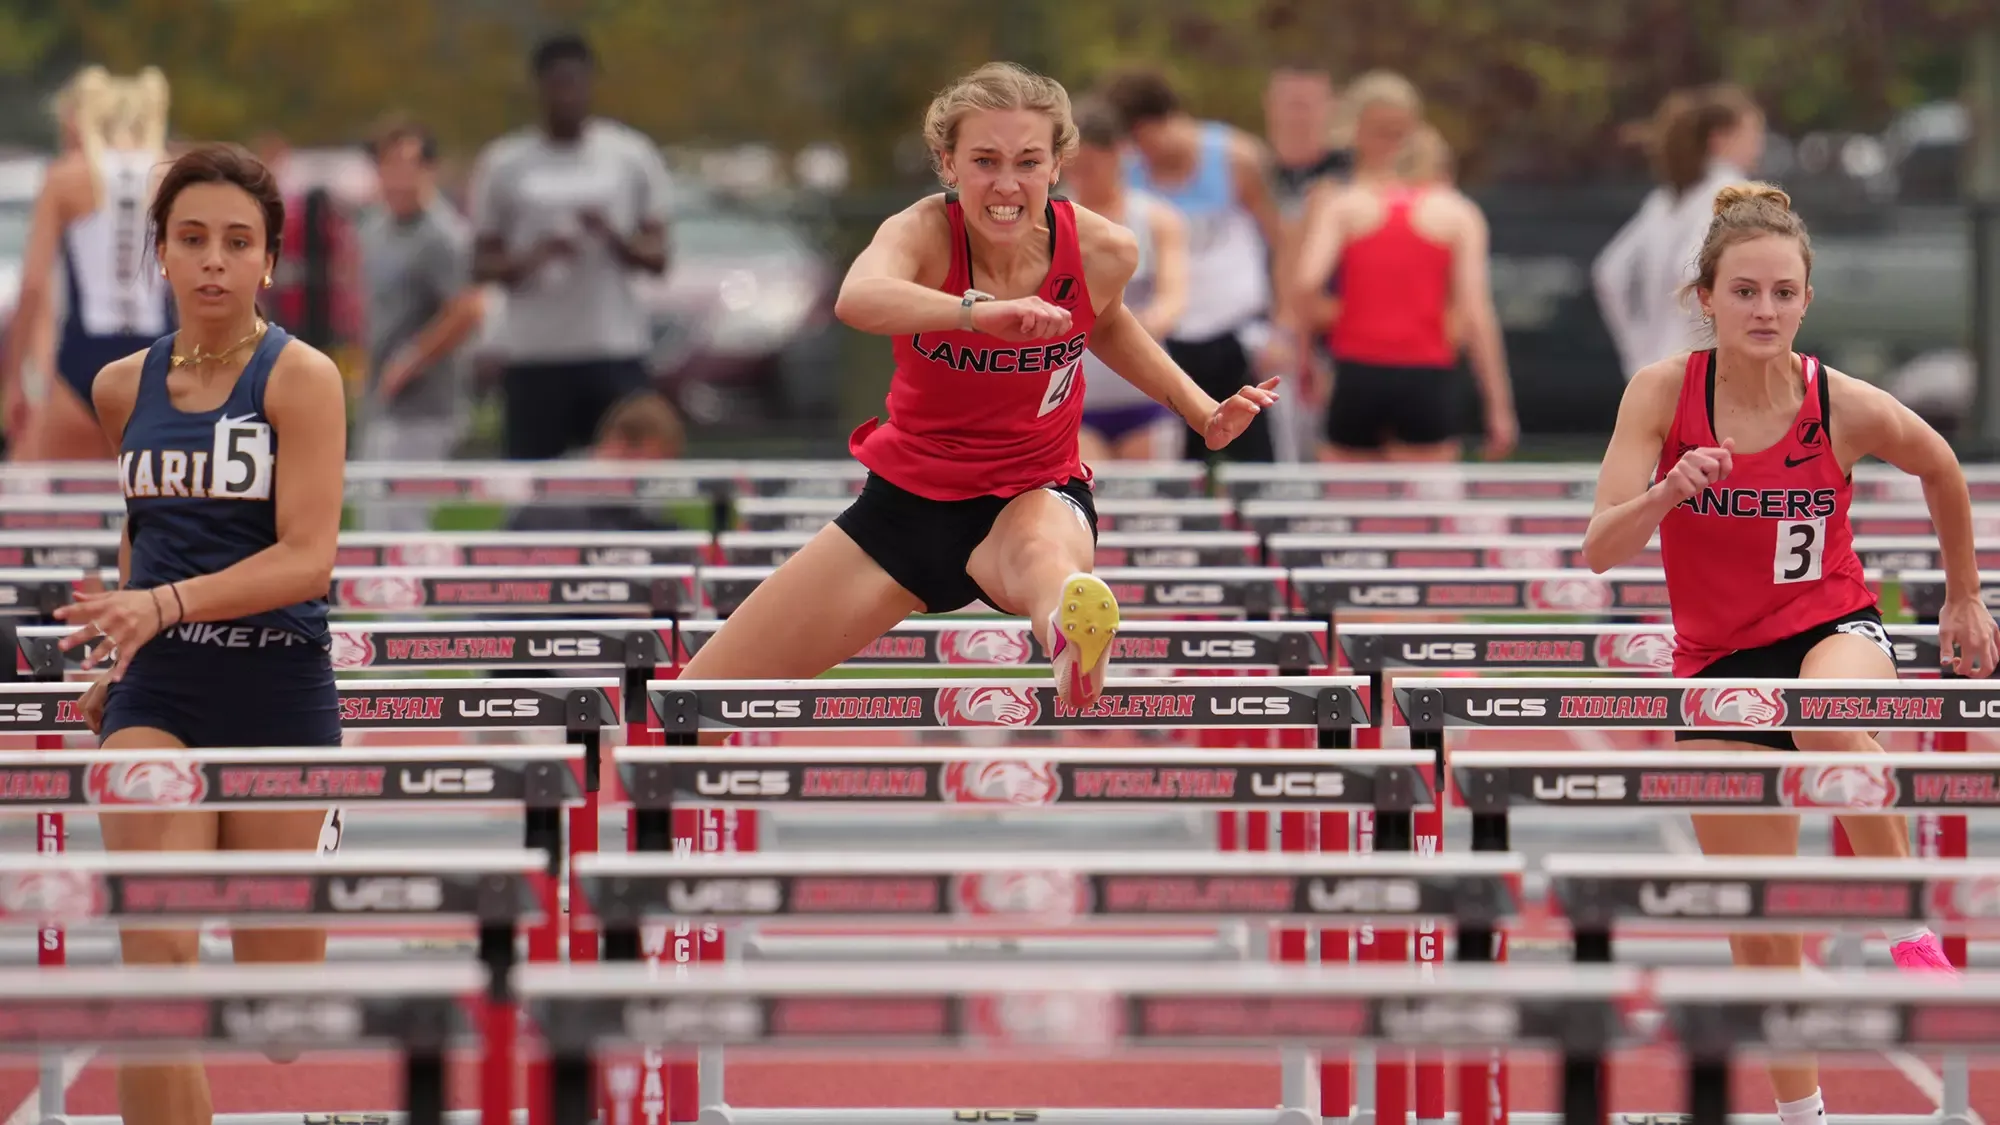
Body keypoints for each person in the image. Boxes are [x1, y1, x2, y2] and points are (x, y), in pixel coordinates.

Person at [677, 61, 1274, 707]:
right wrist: (975, 311)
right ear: (947, 163)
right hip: (905, 506)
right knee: (697, 702)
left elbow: (1105, 322)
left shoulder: (1104, 249)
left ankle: (1067, 631)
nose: (1007, 185)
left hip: (1033, 487)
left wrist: (1201, 410)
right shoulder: (924, 232)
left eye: (1027, 161)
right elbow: (858, 298)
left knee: (1046, 558)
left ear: (1056, 165)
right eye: (985, 161)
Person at [1582, 182, 1990, 1125]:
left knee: (1830, 718)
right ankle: (1801, 1115)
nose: (1764, 310)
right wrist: (1669, 490)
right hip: (1717, 662)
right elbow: (1602, 546)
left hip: (1831, 629)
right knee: (1759, 917)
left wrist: (1963, 594)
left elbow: (1939, 464)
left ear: (1806, 300)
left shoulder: (1838, 401)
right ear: (1707, 297)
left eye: (1782, 293)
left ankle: (1903, 913)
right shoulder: (1661, 392)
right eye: (1745, 292)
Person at [53, 142, 348, 1125]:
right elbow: (153, 526)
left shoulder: (301, 380)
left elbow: (309, 559)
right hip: (160, 697)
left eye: (236, 242)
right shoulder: (116, 389)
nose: (214, 260)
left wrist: (161, 603)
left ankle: (312, 848)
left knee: (280, 1022)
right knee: (156, 960)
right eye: (192, 240)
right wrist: (132, 625)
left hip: (276, 690)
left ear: (268, 261)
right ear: (161, 256)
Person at [1293, 71, 1516, 462]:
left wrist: (1310, 349)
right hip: (1424, 371)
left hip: (1357, 371)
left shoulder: (1343, 205)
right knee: (1424, 515)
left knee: (1346, 514)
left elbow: (1305, 283)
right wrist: (1498, 405)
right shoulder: (1456, 213)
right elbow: (1477, 313)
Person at [469, 32, 672, 461]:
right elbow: (481, 263)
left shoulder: (629, 155)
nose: (568, 96)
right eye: (558, 84)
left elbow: (659, 256)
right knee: (535, 486)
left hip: (613, 348)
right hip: (535, 353)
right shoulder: (505, 163)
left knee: (626, 480)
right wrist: (537, 254)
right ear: (540, 88)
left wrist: (612, 235)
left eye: (576, 83)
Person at [1101, 68, 1292, 465]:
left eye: (1139, 140)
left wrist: (1284, 328)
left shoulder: (1236, 158)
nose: (1139, 152)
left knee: (1249, 458)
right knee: (1182, 466)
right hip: (1165, 337)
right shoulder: (1128, 170)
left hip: (1235, 335)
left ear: (1158, 122)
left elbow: (1282, 244)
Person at [1, 66, 173, 463]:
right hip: (156, 358)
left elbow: (32, 285)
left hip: (82, 355)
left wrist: (13, 383)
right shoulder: (173, 175)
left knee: (69, 508)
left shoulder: (66, 179)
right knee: (149, 508)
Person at [355, 117, 483, 529]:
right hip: (380, 396)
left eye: (408, 167)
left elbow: (467, 308)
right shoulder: (377, 228)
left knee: (402, 519)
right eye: (388, 166)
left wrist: (413, 357)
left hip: (423, 403)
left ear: (429, 170)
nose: (398, 179)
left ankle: (413, 593)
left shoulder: (442, 236)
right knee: (371, 513)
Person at [1593, 84, 1765, 380]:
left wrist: (1638, 352)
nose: (1758, 146)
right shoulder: (1732, 192)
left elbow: (1609, 273)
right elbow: (1690, 271)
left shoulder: (1667, 200)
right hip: (1703, 376)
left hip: (1657, 369)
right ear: (1719, 139)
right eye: (1752, 135)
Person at [1067, 97, 1189, 463]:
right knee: (1088, 507)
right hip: (1078, 399)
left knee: (1149, 511)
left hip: (1145, 397)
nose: (1082, 179)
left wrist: (1129, 328)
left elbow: (1173, 296)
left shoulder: (1155, 218)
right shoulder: (1052, 222)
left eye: (1090, 166)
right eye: (1073, 168)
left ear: (1117, 155)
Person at [506, 389, 684, 532]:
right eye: (659, 461)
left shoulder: (646, 511)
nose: (663, 474)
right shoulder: (553, 505)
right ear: (621, 445)